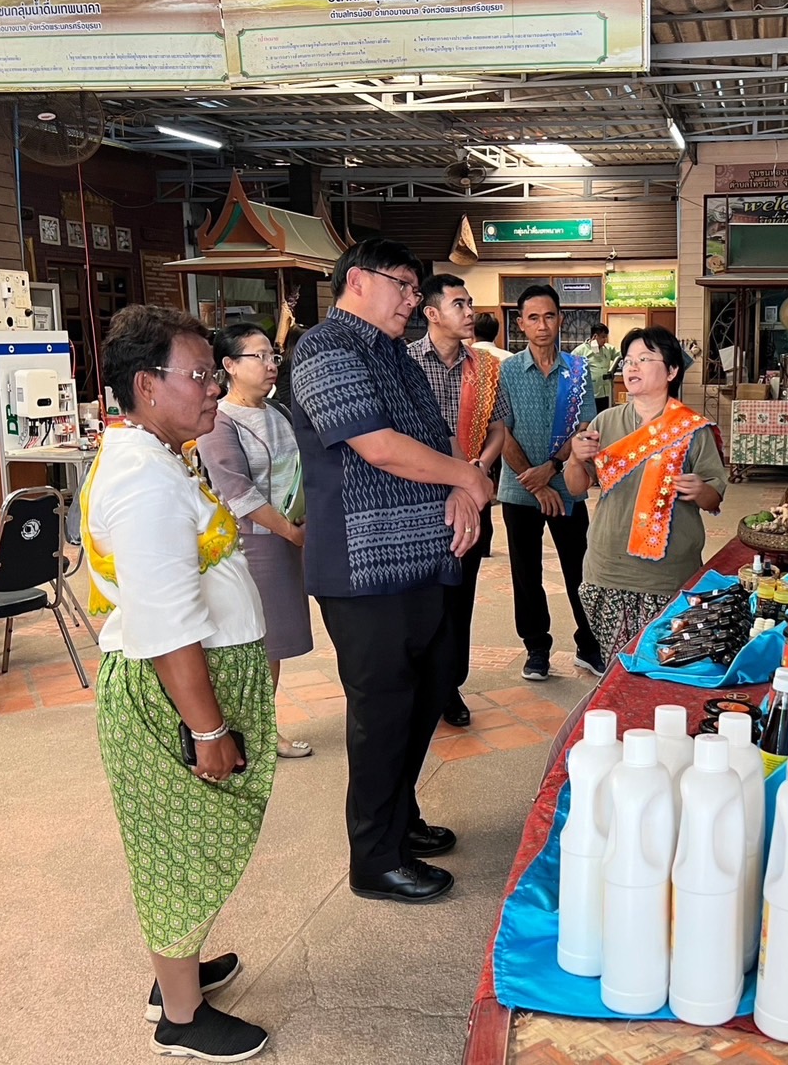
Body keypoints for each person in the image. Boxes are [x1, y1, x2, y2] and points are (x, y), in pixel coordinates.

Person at [84, 305, 274, 1061]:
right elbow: (166, 623)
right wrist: (208, 728)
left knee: (191, 843)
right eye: (198, 374)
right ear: (145, 385)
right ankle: (183, 1018)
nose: (212, 387)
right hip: (174, 698)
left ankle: (181, 969)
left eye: (215, 372)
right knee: (176, 850)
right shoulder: (143, 479)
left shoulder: (160, 456)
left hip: (191, 685)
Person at [291, 238, 493, 904]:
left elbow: (431, 443)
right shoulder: (324, 350)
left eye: (414, 289)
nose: (414, 299)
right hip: (364, 564)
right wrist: (465, 475)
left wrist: (462, 487)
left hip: (423, 559)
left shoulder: (395, 356)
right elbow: (378, 447)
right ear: (356, 281)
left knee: (424, 697)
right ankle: (373, 856)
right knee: (380, 715)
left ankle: (399, 822)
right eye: (404, 286)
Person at [566, 327, 727, 665]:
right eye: (627, 361)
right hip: (608, 568)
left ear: (671, 371)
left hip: (668, 574)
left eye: (644, 359)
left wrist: (700, 490)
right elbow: (576, 487)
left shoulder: (694, 429)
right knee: (617, 669)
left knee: (663, 668)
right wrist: (574, 457)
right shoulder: (605, 421)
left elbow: (714, 498)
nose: (632, 367)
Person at [198, 322, 315, 760]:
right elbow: (239, 494)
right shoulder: (220, 422)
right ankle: (259, 732)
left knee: (274, 642)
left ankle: (261, 727)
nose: (271, 365)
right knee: (259, 642)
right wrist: (291, 532)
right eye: (259, 357)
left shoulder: (278, 412)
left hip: (288, 536)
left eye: (273, 357)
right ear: (228, 365)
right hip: (255, 543)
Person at [408, 274, 511, 728]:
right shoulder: (404, 363)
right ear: (431, 313)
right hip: (419, 499)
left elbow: (498, 427)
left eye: (470, 304)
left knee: (460, 596)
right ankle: (417, 686)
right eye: (459, 305)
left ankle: (449, 687)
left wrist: (478, 470)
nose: (470, 312)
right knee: (420, 596)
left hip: (471, 494)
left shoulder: (486, 368)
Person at [498, 284, 604, 682]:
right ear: (521, 323)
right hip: (519, 489)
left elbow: (583, 429)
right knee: (526, 573)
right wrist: (535, 482)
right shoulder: (506, 371)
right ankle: (536, 648)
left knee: (580, 567)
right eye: (533, 317)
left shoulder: (577, 372)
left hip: (568, 486)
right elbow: (501, 433)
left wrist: (551, 472)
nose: (542, 325)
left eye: (549, 316)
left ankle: (588, 645)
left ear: (561, 319)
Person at [573, 324, 620, 412]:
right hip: (590, 394)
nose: (605, 340)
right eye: (602, 337)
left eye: (606, 337)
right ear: (595, 336)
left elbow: (621, 355)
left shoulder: (608, 349)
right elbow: (572, 370)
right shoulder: (580, 351)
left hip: (606, 392)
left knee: (605, 418)